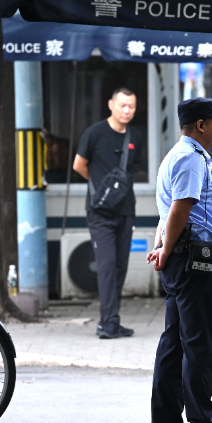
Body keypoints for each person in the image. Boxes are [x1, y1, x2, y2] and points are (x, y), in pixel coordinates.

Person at [147, 97, 212, 423]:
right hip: (192, 264)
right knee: (199, 343)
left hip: (182, 259)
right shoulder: (190, 159)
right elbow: (179, 211)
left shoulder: (181, 156)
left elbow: (167, 212)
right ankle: (201, 422)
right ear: (201, 125)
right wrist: (166, 250)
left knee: (175, 343)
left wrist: (161, 248)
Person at [73, 87, 143, 339]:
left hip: (126, 210)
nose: (127, 110)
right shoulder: (94, 133)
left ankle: (111, 320)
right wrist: (100, 187)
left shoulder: (135, 135)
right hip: (99, 210)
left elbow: (134, 169)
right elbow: (78, 165)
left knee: (121, 265)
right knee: (107, 265)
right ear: (110, 104)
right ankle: (107, 322)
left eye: (131, 106)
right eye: (122, 105)